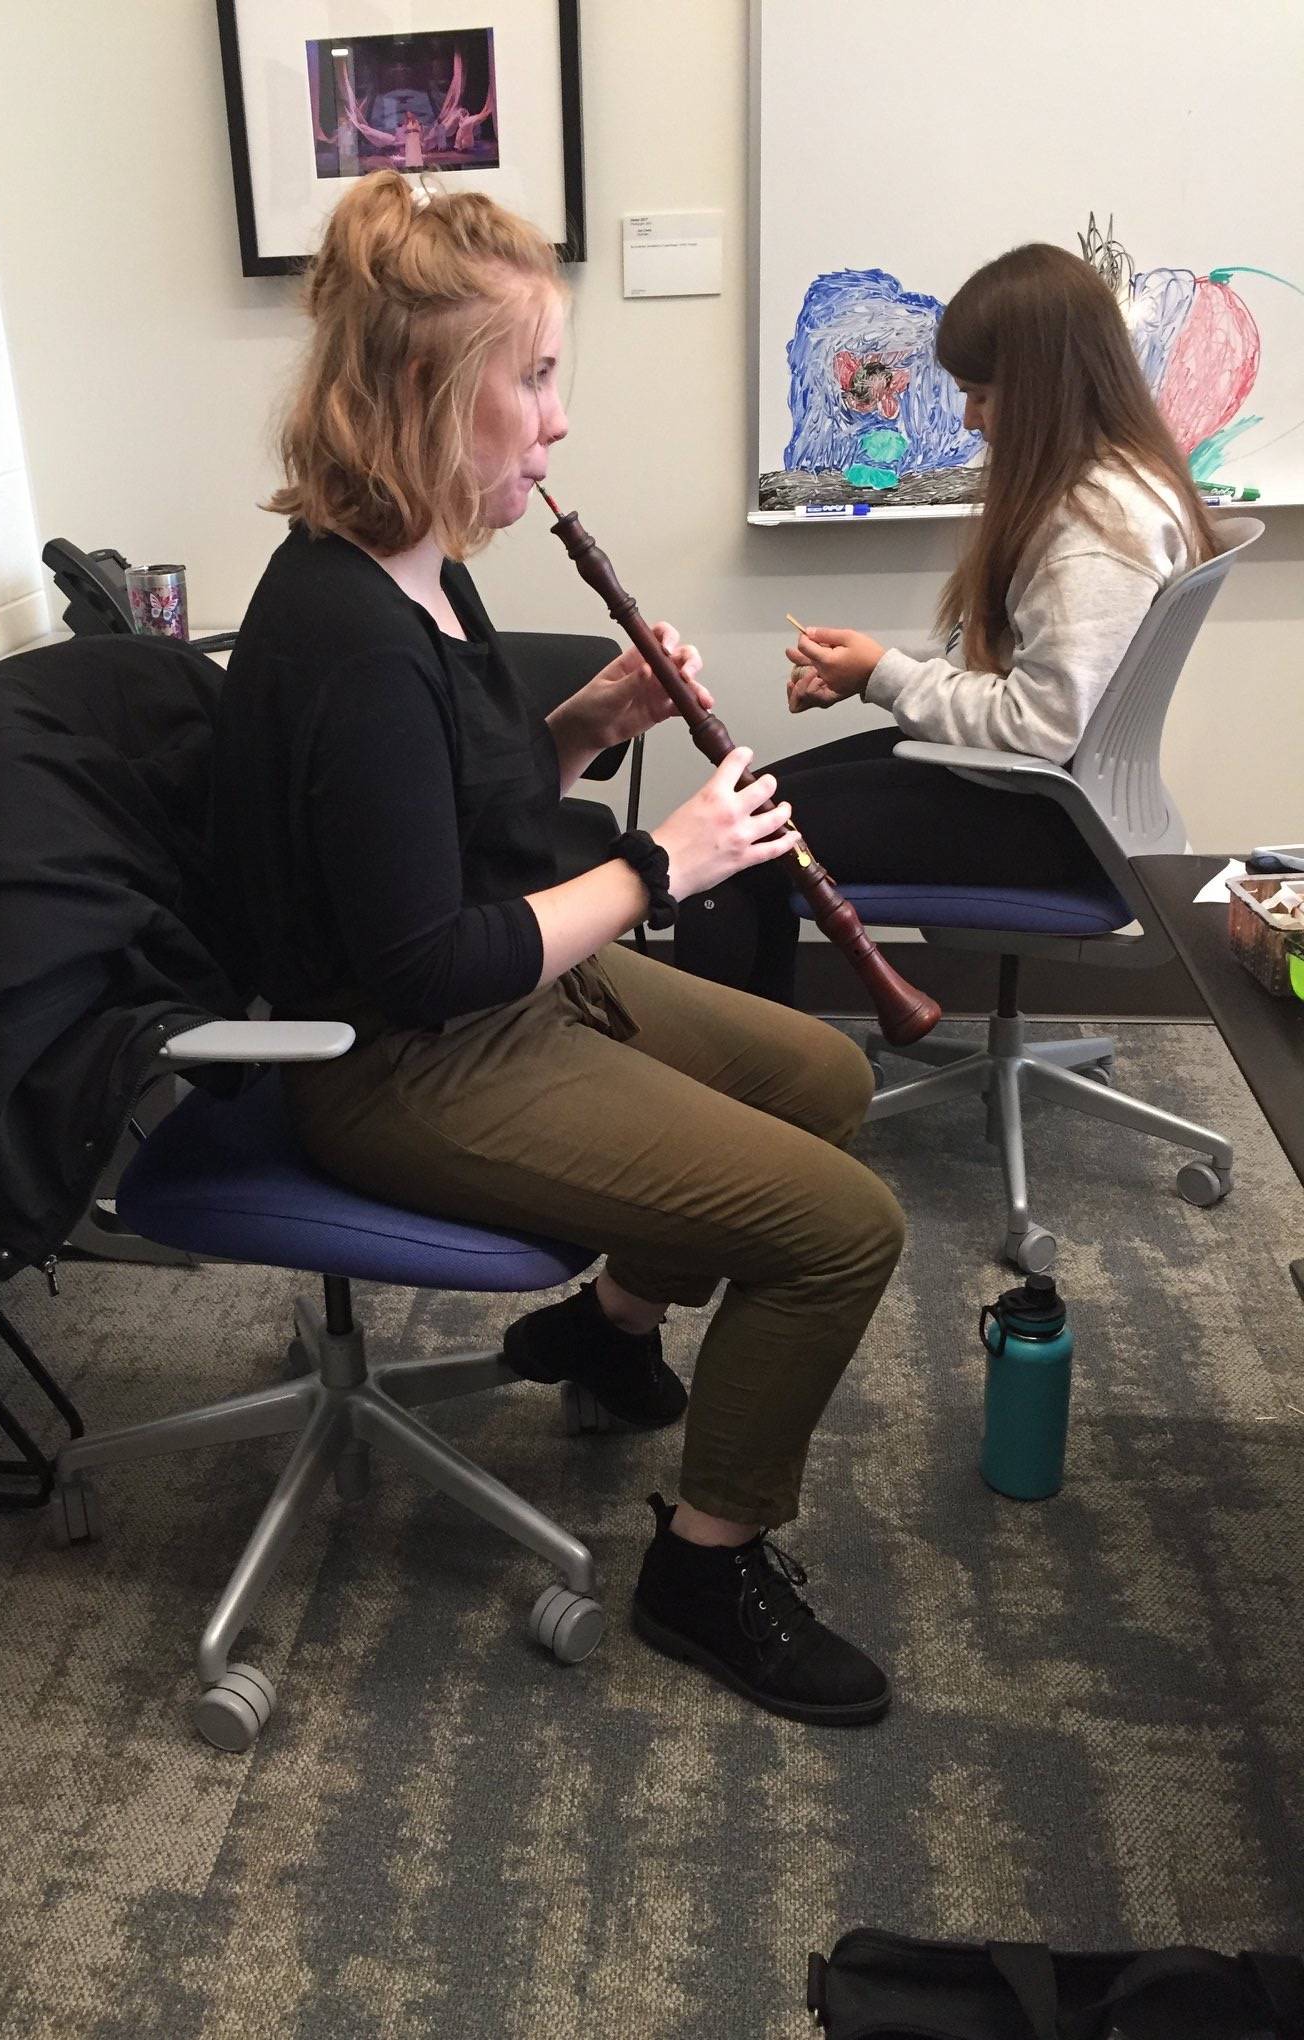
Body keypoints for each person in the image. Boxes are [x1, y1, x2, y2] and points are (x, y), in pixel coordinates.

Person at [214, 171, 905, 1726]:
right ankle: (708, 1564)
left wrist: (594, 723)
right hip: (406, 1061)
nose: (556, 419)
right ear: (422, 390)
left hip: (505, 990)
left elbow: (459, 818)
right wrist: (666, 863)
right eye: (530, 378)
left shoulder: (422, 574)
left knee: (821, 1080)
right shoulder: (344, 636)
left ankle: (607, 1334)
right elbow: (429, 961)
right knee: (844, 1229)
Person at [675, 242, 1219, 1001]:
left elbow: (1039, 723)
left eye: (982, 396)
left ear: (1046, 390)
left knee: (731, 848)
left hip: (1049, 819)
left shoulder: (1097, 529)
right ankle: (776, 1069)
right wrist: (875, 672)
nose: (970, 420)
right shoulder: (1118, 483)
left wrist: (885, 676)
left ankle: (749, 1090)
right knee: (746, 808)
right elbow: (1023, 672)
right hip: (1044, 795)